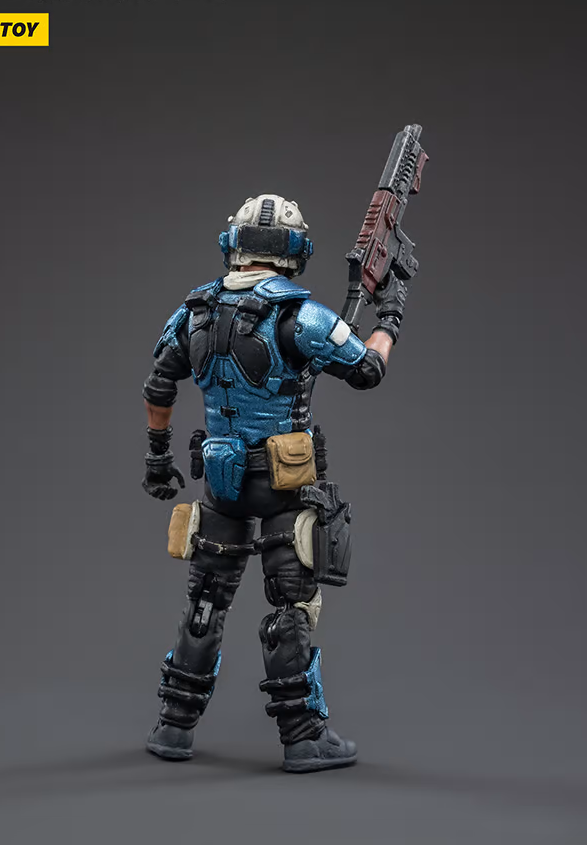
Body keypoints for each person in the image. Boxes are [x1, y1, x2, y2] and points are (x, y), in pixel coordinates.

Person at [142, 194, 408, 772]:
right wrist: (389, 318)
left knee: (205, 602)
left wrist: (157, 458)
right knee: (292, 605)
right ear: (295, 250)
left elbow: (159, 384)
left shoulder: (195, 311)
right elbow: (367, 369)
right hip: (282, 484)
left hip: (221, 481)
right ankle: (304, 737)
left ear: (232, 245)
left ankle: (174, 727)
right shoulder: (301, 316)